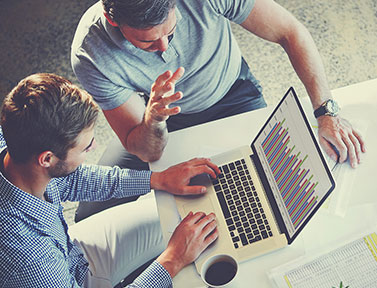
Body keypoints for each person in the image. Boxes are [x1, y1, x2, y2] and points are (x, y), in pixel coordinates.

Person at [71, 0, 366, 221]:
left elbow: (290, 32)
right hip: (159, 118)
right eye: (146, 41)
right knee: (91, 215)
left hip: (233, 97)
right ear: (112, 19)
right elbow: (148, 152)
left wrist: (326, 110)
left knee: (261, 197)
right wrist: (155, 118)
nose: (163, 49)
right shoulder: (90, 53)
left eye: (171, 32)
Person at [0, 73, 220, 288]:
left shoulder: (14, 138)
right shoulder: (26, 257)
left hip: (70, 255)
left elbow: (71, 178)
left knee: (183, 213)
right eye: (85, 147)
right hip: (54, 284)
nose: (95, 146)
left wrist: (157, 179)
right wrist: (173, 259)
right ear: (47, 159)